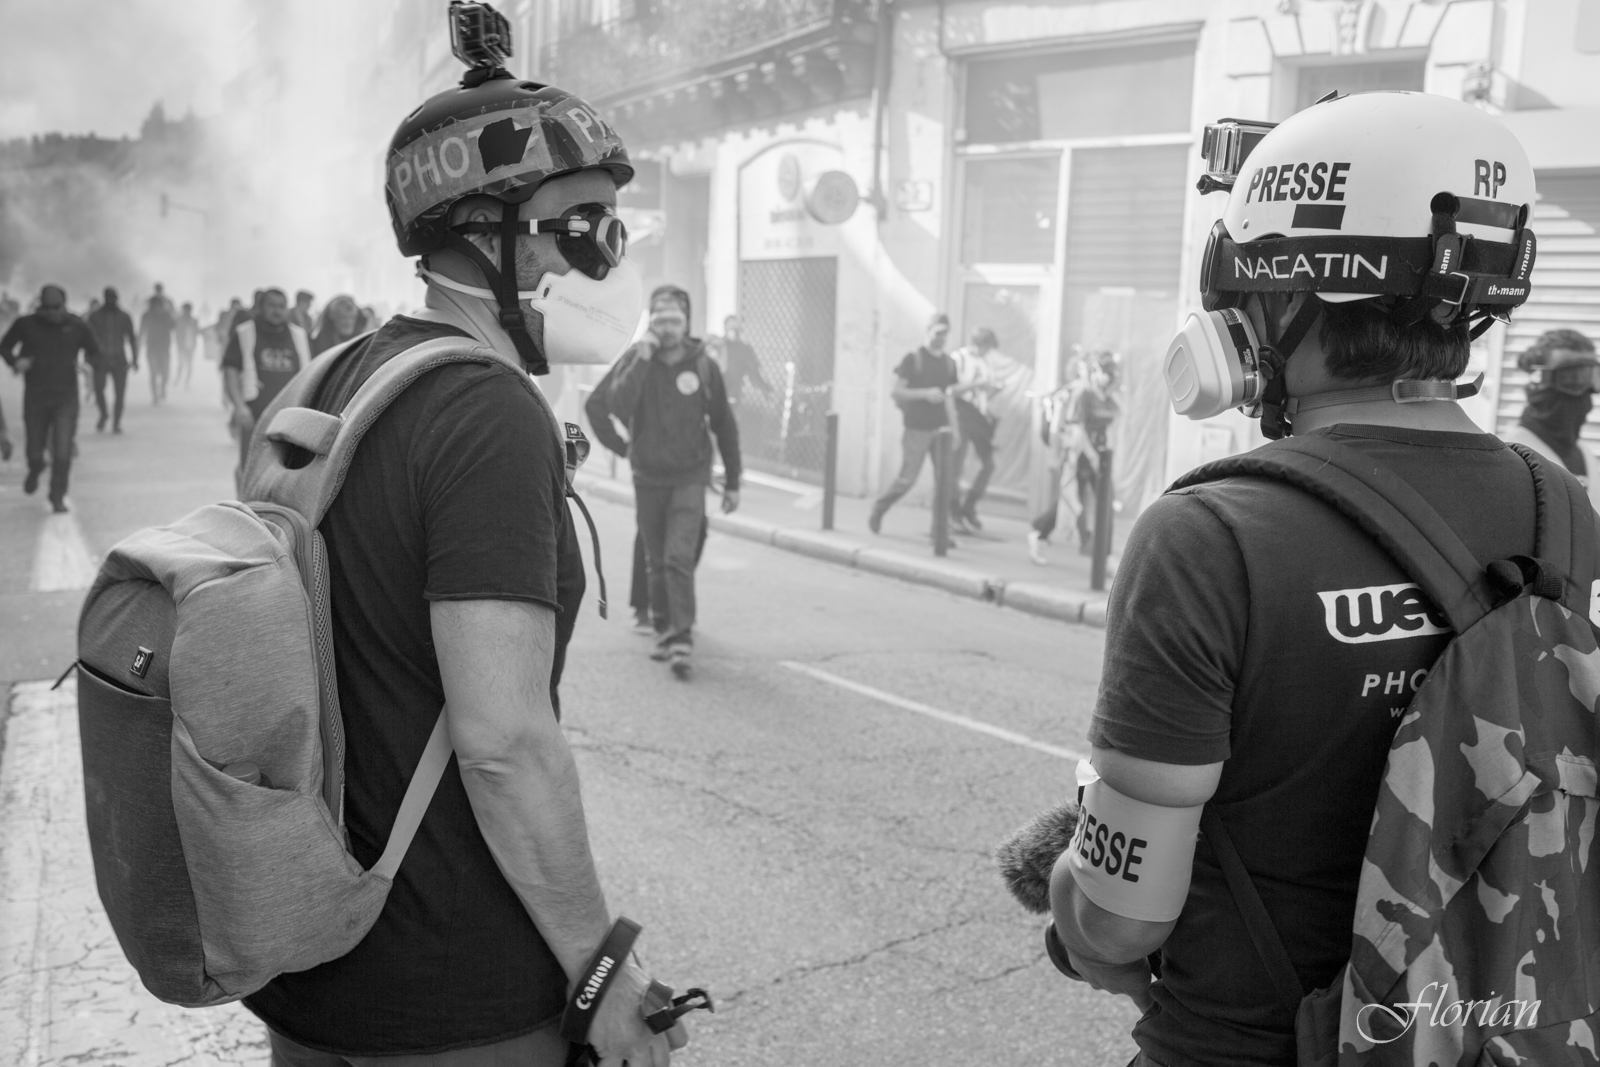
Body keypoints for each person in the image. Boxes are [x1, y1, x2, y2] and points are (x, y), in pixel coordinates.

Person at [1046, 93, 1559, 1067]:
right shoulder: (1559, 507)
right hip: (1491, 1032)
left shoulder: (1207, 537)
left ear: (1284, 294)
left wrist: (1071, 890)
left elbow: (1119, 920)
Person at [241, 42, 690, 1067]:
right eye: (585, 227)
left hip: (313, 965)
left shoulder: (335, 375)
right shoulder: (486, 412)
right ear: (489, 234)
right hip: (453, 990)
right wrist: (603, 970)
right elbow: (504, 743)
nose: (609, 259)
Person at [586, 285, 740, 676]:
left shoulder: (704, 365)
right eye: (660, 319)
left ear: (686, 322)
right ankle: (662, 630)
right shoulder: (638, 358)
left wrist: (734, 481)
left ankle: (681, 637)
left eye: (675, 319)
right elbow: (612, 405)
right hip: (648, 477)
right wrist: (624, 448)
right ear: (650, 321)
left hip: (690, 476)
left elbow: (724, 424)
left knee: (677, 557)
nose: (668, 327)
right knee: (656, 561)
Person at [0, 284, 101, 511]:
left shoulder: (76, 325)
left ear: (64, 305)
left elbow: (95, 351)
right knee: (35, 450)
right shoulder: (26, 324)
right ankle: (35, 468)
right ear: (40, 307)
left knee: (63, 451)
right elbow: (4, 346)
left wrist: (87, 365)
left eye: (56, 308)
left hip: (66, 398)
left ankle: (57, 495)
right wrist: (15, 362)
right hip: (35, 396)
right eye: (47, 308)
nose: (52, 313)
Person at [868, 313, 959, 535]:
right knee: (907, 480)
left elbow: (949, 399)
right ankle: (880, 507)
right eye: (938, 333)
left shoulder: (949, 363)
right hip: (916, 429)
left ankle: (939, 532)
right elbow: (896, 391)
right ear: (928, 331)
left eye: (945, 334)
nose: (941, 338)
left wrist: (955, 430)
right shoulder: (913, 358)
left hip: (942, 430)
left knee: (945, 483)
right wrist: (925, 393)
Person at [1028, 350, 1119, 563]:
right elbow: (1077, 429)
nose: (1109, 377)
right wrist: (1093, 457)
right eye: (1105, 372)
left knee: (1106, 503)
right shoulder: (1081, 394)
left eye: (1111, 373)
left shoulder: (1108, 397)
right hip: (1080, 457)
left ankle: (1103, 557)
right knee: (1071, 503)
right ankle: (1040, 533)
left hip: (1100, 457)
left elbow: (1114, 421)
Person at [1502, 328, 1600, 512]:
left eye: (1589, 377)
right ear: (1539, 382)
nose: (1582, 391)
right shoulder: (1511, 453)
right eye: (1571, 378)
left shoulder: (1585, 455)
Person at [221, 288, 310, 481]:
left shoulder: (299, 335)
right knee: (249, 468)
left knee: (287, 471)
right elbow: (230, 370)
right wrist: (239, 406)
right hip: (254, 414)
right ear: (260, 307)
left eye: (281, 306)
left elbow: (310, 373)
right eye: (272, 306)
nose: (277, 311)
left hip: (291, 415)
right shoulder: (244, 332)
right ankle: (245, 500)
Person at [948, 326, 1001, 532]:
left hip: (979, 416)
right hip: (961, 414)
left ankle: (969, 506)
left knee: (989, 464)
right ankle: (953, 510)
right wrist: (974, 384)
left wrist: (992, 389)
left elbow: (984, 392)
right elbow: (949, 390)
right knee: (956, 467)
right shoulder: (958, 359)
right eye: (986, 347)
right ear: (978, 344)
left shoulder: (985, 361)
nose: (987, 352)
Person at [86, 286, 139, 432]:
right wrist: (89, 358)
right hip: (100, 359)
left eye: (113, 298)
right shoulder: (95, 316)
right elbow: (88, 338)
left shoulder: (124, 316)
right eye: (108, 298)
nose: (110, 301)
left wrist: (135, 358)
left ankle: (116, 422)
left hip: (119, 358)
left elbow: (132, 338)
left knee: (120, 393)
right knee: (98, 389)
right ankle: (104, 414)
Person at [713, 314, 772, 406]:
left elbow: (754, 370)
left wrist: (764, 387)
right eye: (729, 326)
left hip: (734, 393)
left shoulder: (744, 349)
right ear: (725, 327)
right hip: (717, 392)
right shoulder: (718, 346)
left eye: (734, 327)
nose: (732, 330)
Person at [139, 287, 176, 404]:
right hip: (152, 347)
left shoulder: (166, 315)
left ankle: (162, 388)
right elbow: (142, 331)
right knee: (154, 373)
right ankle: (155, 395)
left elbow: (174, 326)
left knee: (165, 373)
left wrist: (166, 314)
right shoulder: (146, 315)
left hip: (164, 347)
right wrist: (137, 348)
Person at [175, 301, 199, 388]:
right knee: (182, 364)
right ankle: (178, 380)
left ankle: (186, 383)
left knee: (188, 365)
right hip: (182, 346)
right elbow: (177, 333)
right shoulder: (179, 320)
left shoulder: (194, 321)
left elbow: (196, 331)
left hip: (190, 345)